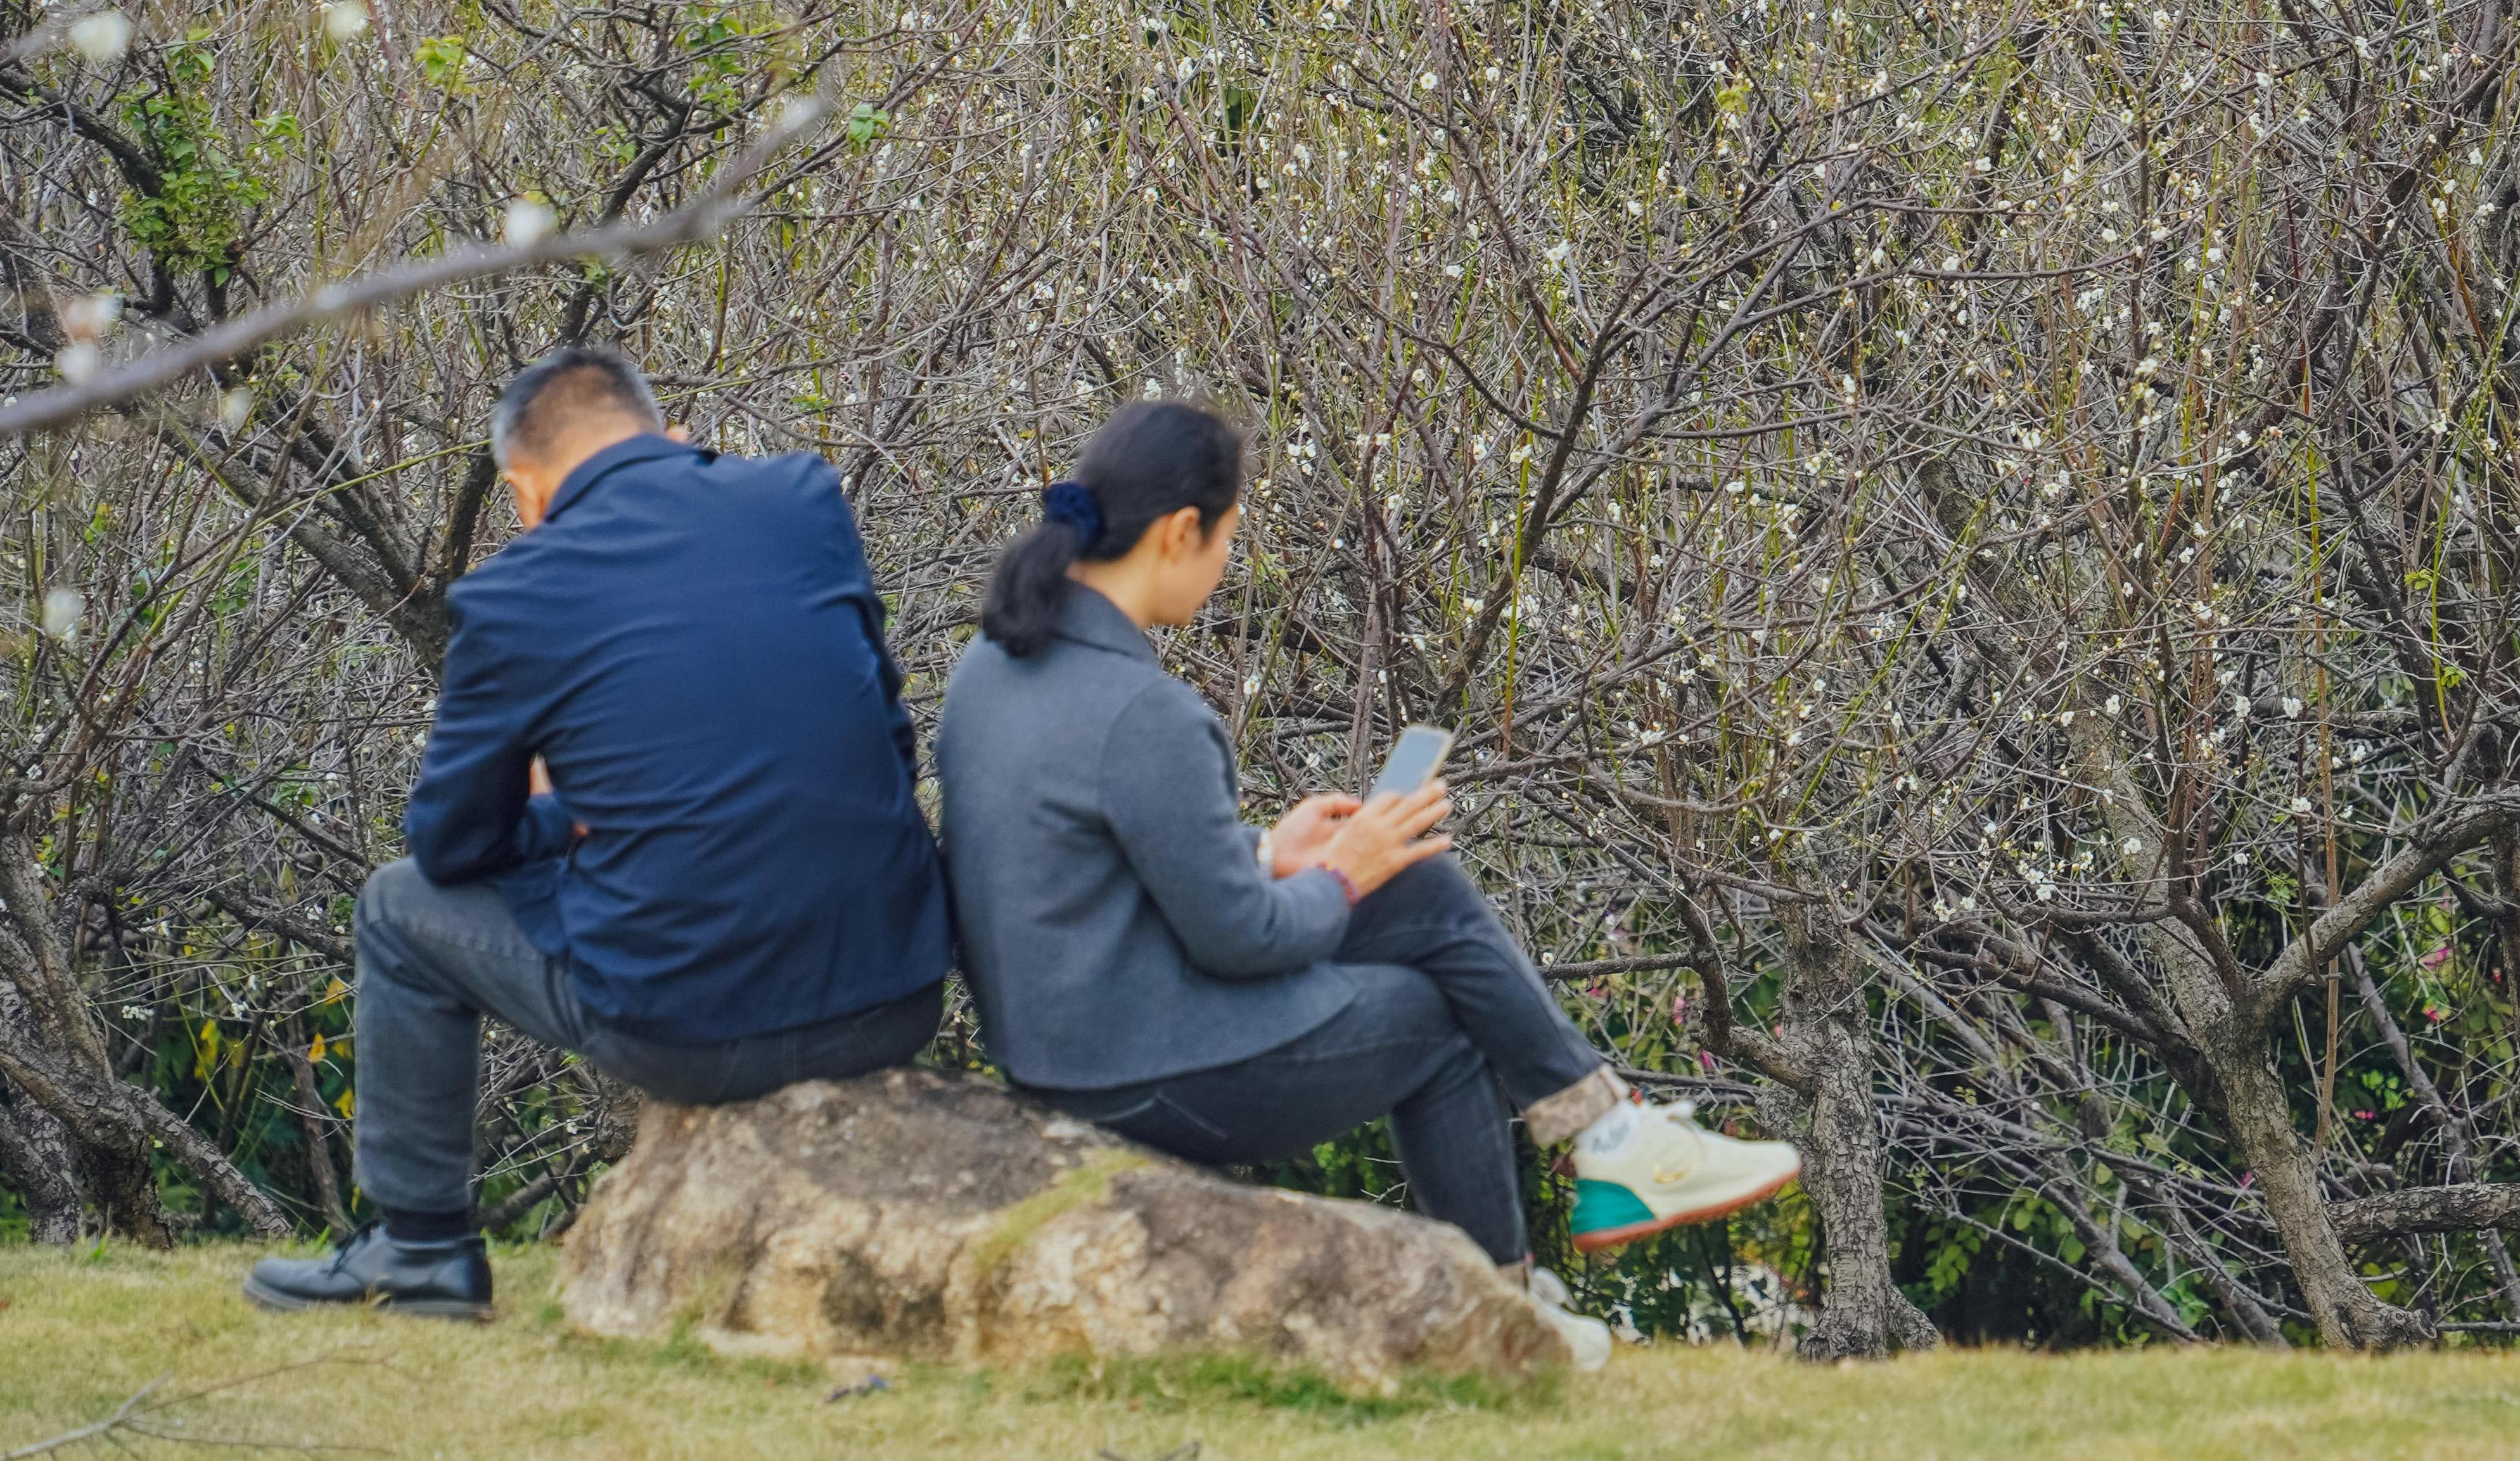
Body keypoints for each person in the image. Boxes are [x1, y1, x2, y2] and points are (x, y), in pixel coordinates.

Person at [935, 400, 1800, 1367]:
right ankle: (1512, 1296)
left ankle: (1604, 1146)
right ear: (1182, 531)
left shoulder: (994, 666)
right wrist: (1340, 875)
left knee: (1418, 891)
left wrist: (1269, 853)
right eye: (1228, 537)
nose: (1226, 565)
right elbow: (1240, 941)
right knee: (1436, 1018)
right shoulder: (1146, 713)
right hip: (1137, 1068)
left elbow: (1076, 866)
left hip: (1065, 1034)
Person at [247, 347, 953, 1318]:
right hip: (897, 991)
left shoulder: (517, 593)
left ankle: (420, 1252)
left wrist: (565, 823)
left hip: (694, 1034)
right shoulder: (800, 499)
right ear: (668, 438)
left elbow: (452, 848)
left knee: (396, 908)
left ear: (524, 490)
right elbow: (888, 732)